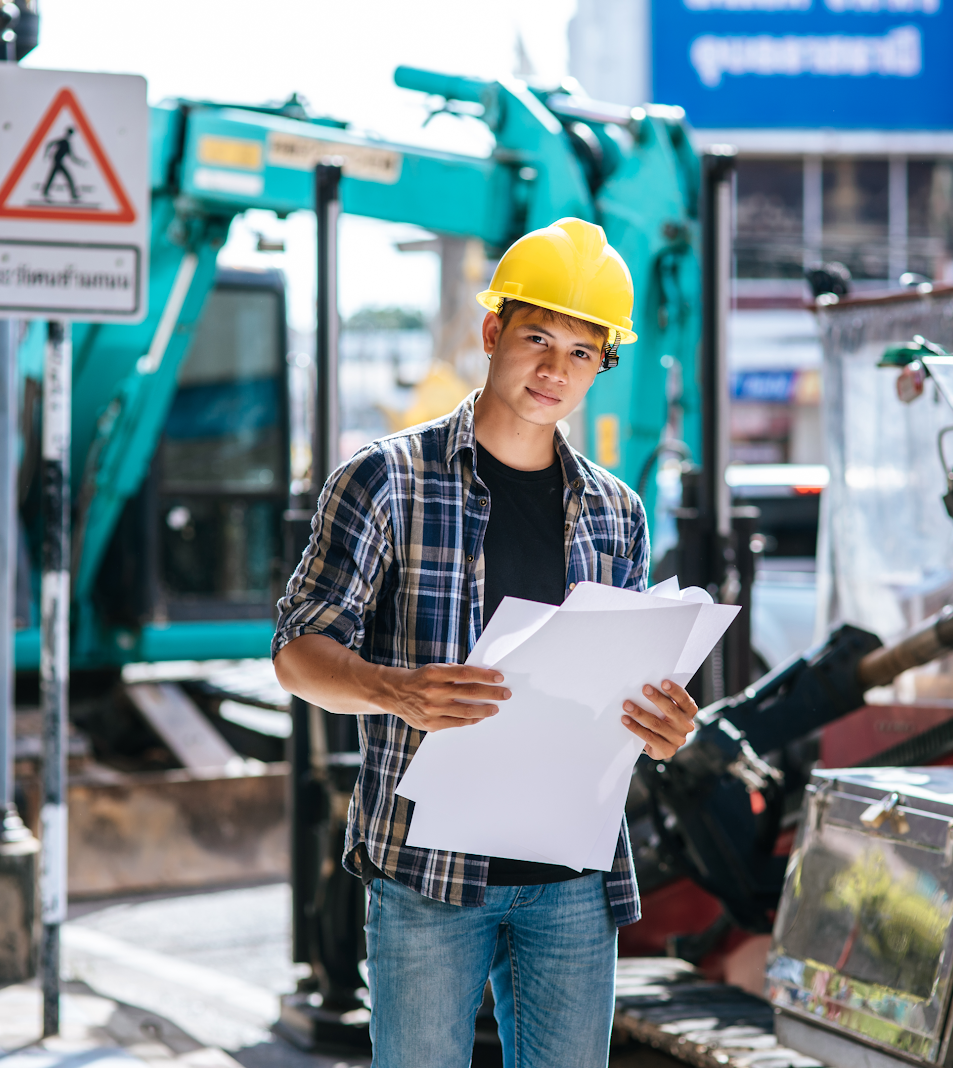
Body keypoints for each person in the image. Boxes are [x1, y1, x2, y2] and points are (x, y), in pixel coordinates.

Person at [272, 217, 701, 1067]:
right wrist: (395, 689)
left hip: (572, 883)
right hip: (430, 877)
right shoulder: (386, 479)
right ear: (493, 331)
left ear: (601, 367)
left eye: (582, 352)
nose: (554, 369)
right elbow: (297, 653)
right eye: (538, 338)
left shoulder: (617, 511)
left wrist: (663, 728)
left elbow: (619, 687)